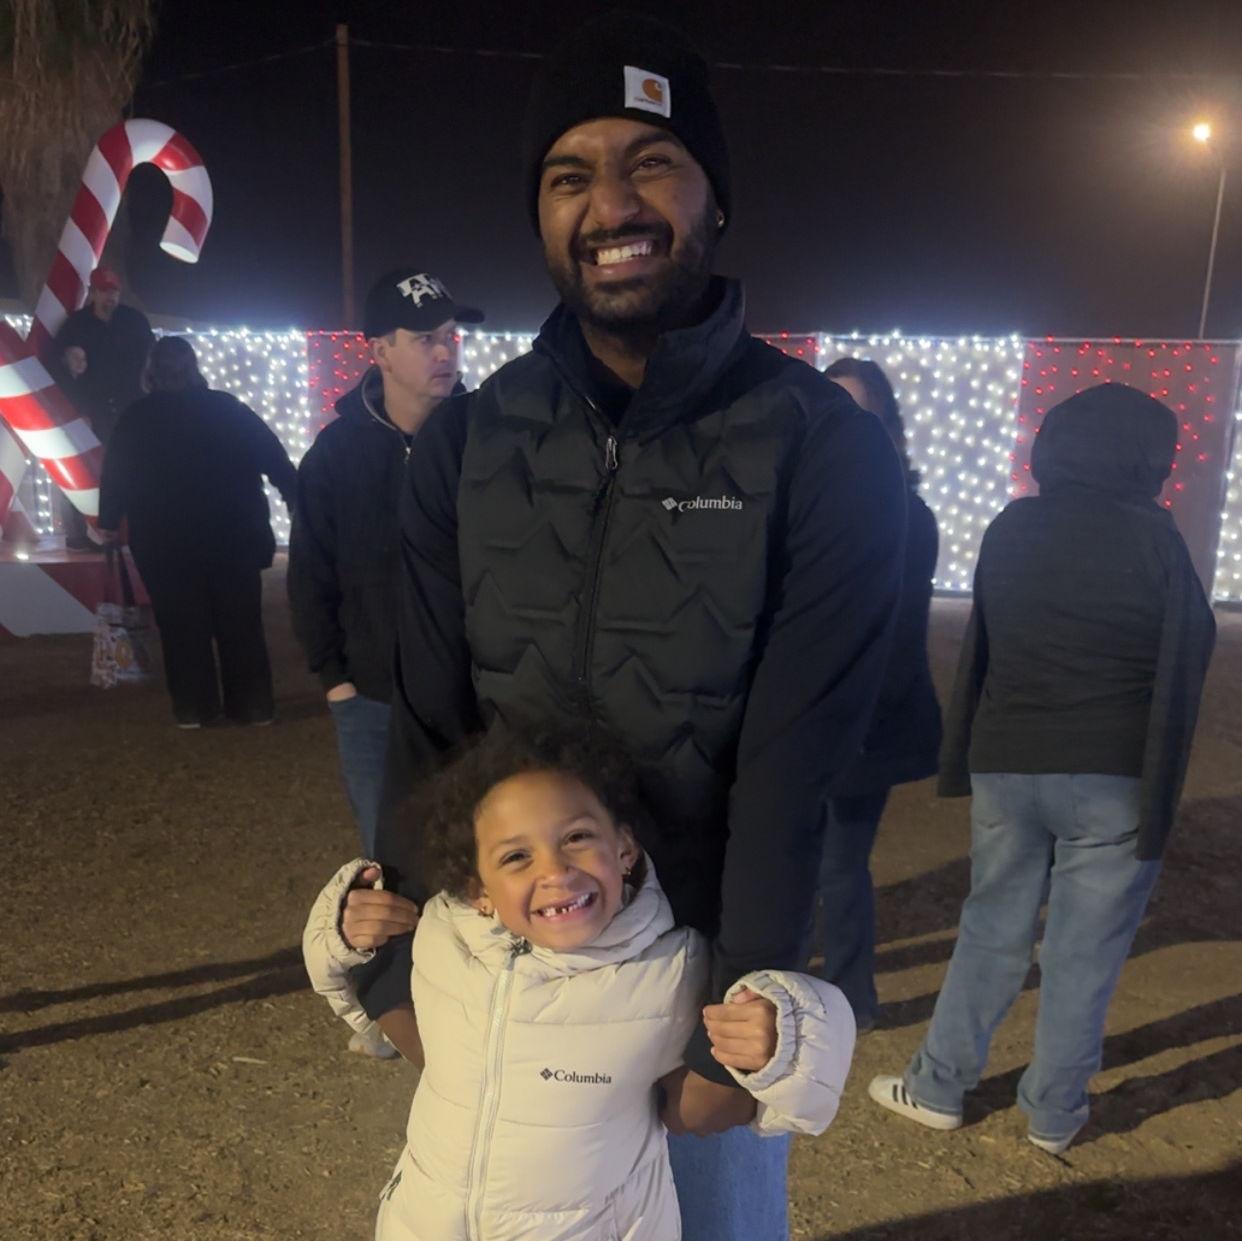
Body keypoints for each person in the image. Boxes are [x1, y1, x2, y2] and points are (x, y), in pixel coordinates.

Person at [318, 15, 905, 1238]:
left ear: (715, 196)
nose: (611, 205)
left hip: (692, 980)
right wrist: (394, 949)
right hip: (508, 965)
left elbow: (795, 766)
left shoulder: (823, 447)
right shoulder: (467, 443)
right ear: (541, 215)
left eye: (652, 163)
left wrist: (735, 1017)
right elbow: (428, 721)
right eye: (569, 176)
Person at [303, 726, 855, 1240]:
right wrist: (340, 935)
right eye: (516, 856)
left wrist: (784, 1045)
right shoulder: (441, 936)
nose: (554, 871)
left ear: (625, 849)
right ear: (479, 890)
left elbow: (733, 1107)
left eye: (577, 837)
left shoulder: (672, 969)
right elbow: (368, 1002)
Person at [869, 383, 1215, 1154]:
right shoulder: (1156, 540)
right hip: (1112, 774)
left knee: (990, 926)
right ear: (1147, 457)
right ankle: (1054, 1113)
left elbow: (986, 642)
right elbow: (1190, 650)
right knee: (1082, 954)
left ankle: (939, 1084)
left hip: (1009, 761)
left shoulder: (1012, 526)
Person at [288, 269, 484, 857]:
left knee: (484, 852)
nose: (445, 351)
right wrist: (337, 681)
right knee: (390, 854)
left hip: (474, 694)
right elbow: (311, 573)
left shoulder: (486, 439)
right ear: (380, 352)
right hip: (372, 698)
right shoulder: (336, 454)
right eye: (426, 339)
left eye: (450, 336)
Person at [817, 357, 942, 1032]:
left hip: (865, 723)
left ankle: (851, 997)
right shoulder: (802, 498)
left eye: (858, 410)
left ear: (885, 424)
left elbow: (893, 636)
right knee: (786, 858)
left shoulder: (904, 515)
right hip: (800, 718)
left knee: (839, 865)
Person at [98, 336, 296, 729]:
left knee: (180, 624)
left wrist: (108, 521)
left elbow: (115, 475)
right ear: (195, 369)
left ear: (150, 372)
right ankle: (253, 705)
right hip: (233, 533)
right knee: (240, 621)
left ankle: (193, 707)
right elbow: (272, 454)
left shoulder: (135, 418)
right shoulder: (227, 409)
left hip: (164, 541)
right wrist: (294, 495)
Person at [54, 265, 154, 550]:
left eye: (114, 292)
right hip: (90, 412)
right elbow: (61, 371)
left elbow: (151, 360)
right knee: (82, 468)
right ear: (93, 292)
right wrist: (77, 406)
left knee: (128, 470)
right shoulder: (76, 326)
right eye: (104, 291)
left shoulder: (134, 322)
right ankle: (78, 534)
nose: (110, 298)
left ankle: (126, 531)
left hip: (129, 410)